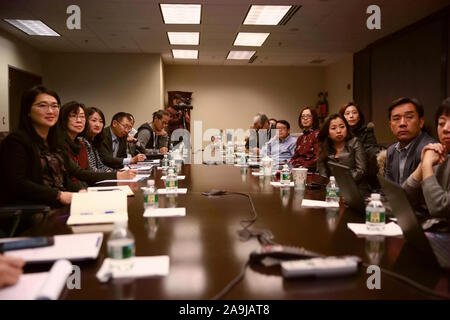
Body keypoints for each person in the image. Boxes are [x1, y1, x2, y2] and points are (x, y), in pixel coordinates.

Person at [0, 86, 118, 206]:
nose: (50, 111)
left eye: (55, 106)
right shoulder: (16, 141)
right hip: (36, 211)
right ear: (28, 111)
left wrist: (79, 192)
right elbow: (17, 183)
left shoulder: (54, 142)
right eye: (42, 105)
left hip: (60, 205)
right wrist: (59, 195)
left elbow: (70, 174)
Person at [403, 98, 450, 217]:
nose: (446, 129)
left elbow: (440, 208)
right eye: (441, 123)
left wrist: (427, 166)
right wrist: (422, 165)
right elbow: (403, 199)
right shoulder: (440, 155)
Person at [384, 97, 436, 184]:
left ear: (421, 122)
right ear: (390, 126)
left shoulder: (429, 150)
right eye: (396, 119)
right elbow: (389, 187)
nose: (402, 123)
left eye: (409, 117)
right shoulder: (391, 151)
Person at [317, 113, 368, 187]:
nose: (338, 131)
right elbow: (323, 175)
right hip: (332, 189)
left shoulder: (355, 143)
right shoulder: (324, 148)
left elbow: (361, 171)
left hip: (355, 187)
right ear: (327, 133)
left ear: (347, 128)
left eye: (342, 127)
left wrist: (341, 182)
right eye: (333, 128)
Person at [340, 102, 381, 188]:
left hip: (363, 176)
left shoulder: (367, 132)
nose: (351, 116)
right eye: (347, 113)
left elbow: (369, 157)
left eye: (354, 113)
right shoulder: (340, 134)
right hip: (343, 175)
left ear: (359, 116)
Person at [81, 107, 115, 172]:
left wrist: (113, 171)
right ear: (85, 121)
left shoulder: (94, 141)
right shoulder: (82, 141)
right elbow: (90, 169)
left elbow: (100, 165)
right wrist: (107, 173)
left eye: (101, 121)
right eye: (94, 120)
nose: (98, 125)